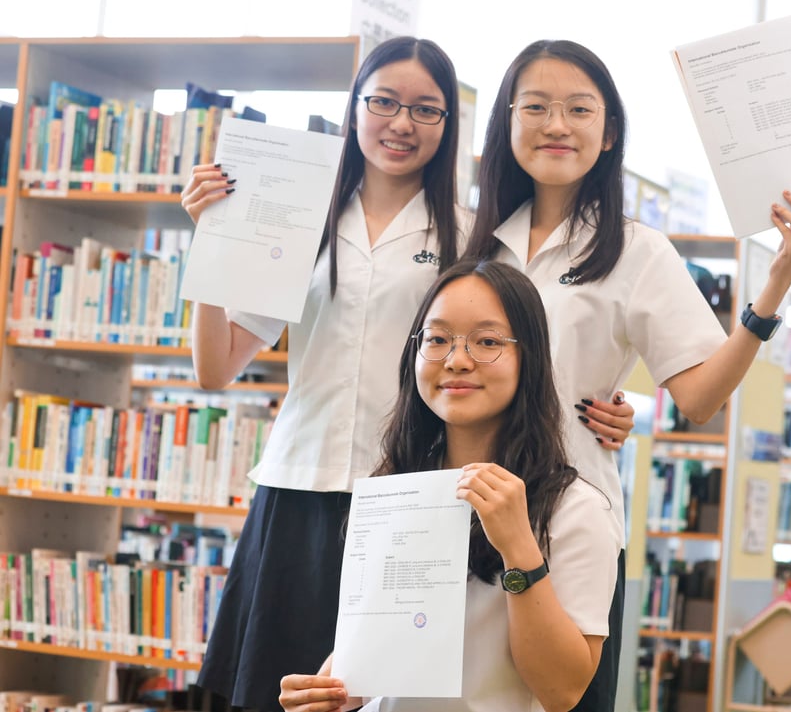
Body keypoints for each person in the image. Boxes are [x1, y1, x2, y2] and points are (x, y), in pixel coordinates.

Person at [180, 36, 631, 711]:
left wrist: (606, 407)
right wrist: (213, 242)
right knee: (292, 690)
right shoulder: (299, 220)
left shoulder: (470, 235)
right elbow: (216, 367)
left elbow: (523, 338)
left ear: (451, 127)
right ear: (354, 107)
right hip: (299, 485)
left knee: (403, 687)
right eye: (383, 101)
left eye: (427, 109)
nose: (401, 123)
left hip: (411, 498)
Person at [461, 39, 791, 711]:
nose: (556, 125)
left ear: (609, 133)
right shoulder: (468, 238)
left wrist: (775, 285)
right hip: (456, 513)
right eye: (535, 106)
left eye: (579, 108)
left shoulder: (636, 250)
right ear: (506, 122)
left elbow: (700, 396)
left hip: (564, 523)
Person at [279, 259, 620, 712]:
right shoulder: (395, 490)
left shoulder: (576, 510)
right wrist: (329, 693)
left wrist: (519, 546)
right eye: (438, 340)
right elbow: (371, 669)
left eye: (487, 342)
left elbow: (561, 691)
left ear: (529, 359)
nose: (458, 361)